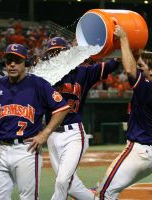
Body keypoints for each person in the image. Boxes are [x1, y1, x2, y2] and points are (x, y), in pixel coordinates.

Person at [0, 43, 70, 200]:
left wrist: (45, 134)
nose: (12, 64)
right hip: (2, 150)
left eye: (17, 60)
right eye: (9, 61)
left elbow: (62, 108)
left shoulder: (38, 84)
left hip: (27, 150)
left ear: (26, 63)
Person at [43, 36, 120, 200]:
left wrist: (120, 42)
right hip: (52, 136)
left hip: (73, 134)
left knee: (62, 180)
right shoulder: (43, 78)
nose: (56, 55)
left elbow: (114, 63)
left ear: (68, 53)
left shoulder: (83, 72)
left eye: (60, 52)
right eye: (52, 53)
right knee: (70, 185)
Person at [96, 25, 152, 200]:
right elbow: (137, 65)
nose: (138, 68)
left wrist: (125, 38)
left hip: (138, 150)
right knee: (104, 189)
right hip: (150, 156)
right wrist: (140, 52)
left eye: (142, 67)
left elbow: (129, 70)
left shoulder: (149, 88)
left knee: (104, 193)